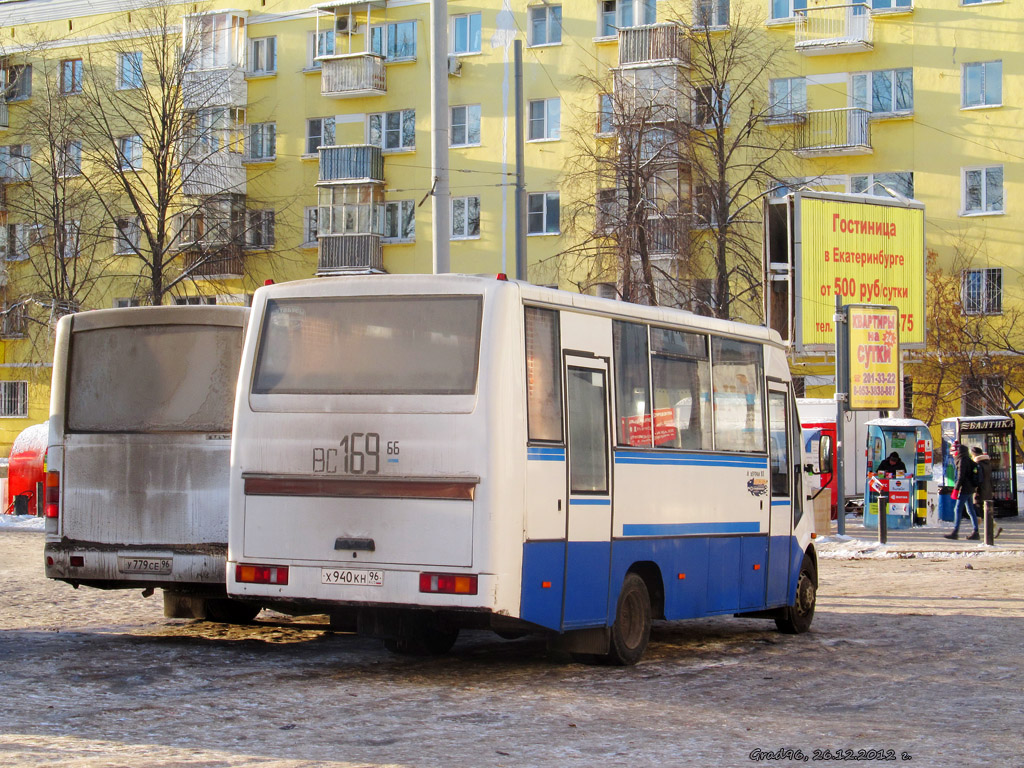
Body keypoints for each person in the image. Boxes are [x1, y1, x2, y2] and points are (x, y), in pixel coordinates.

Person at [945, 443, 979, 540]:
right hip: (969, 488)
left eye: (953, 451)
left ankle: (955, 532)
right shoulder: (966, 458)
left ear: (958, 451)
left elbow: (961, 477)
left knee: (958, 509)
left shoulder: (962, 460)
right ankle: (975, 531)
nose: (952, 454)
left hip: (965, 489)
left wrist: (956, 489)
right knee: (970, 510)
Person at [971, 445, 994, 540]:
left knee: (978, 510)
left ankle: (991, 529)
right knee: (984, 511)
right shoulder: (987, 463)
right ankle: (990, 528)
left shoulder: (979, 465)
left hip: (981, 491)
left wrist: (974, 487)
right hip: (988, 489)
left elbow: (979, 479)